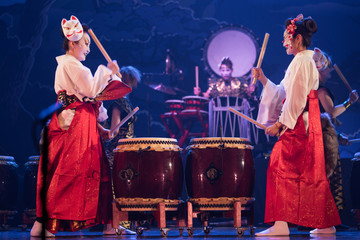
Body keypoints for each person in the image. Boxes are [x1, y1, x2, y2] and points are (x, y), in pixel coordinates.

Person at [30, 16, 130, 237]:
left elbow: (87, 99)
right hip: (73, 124)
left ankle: (109, 224)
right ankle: (46, 223)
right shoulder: (70, 64)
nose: (88, 49)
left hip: (81, 122)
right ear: (73, 43)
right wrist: (109, 70)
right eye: (85, 43)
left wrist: (98, 127)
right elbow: (92, 91)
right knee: (67, 173)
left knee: (93, 172)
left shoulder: (74, 65)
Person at [253, 14, 341, 236]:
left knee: (278, 164)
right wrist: (263, 79)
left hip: (299, 122)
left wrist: (280, 124)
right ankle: (324, 224)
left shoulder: (302, 61)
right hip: (303, 120)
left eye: (287, 38)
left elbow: (297, 98)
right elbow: (283, 91)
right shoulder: (301, 60)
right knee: (311, 171)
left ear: (297, 38)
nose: (284, 42)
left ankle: (281, 225)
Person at [314, 47, 359, 226]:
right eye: (328, 68)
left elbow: (321, 120)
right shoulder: (321, 91)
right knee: (327, 177)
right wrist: (349, 102)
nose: (331, 72)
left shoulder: (313, 90)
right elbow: (330, 113)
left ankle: (326, 219)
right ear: (321, 69)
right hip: (322, 142)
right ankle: (327, 220)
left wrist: (338, 136)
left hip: (318, 137)